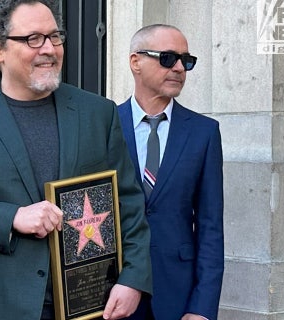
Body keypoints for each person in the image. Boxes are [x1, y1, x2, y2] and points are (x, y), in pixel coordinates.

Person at [0, 1, 152, 319]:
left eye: (55, 37)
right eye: (33, 39)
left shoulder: (99, 113)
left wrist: (133, 280)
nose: (49, 49)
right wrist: (11, 217)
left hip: (86, 303)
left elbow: (128, 204)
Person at [117, 24, 224, 320]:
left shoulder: (204, 133)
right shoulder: (106, 125)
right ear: (135, 62)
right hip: (114, 293)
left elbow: (210, 227)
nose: (179, 68)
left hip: (178, 296)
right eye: (167, 58)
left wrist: (201, 309)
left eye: (185, 61)